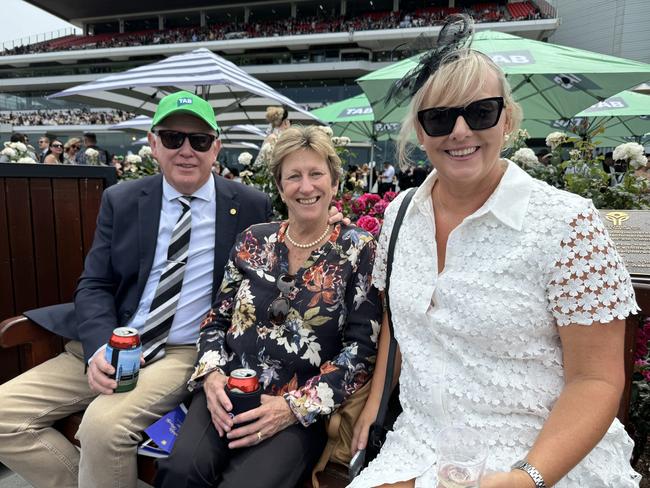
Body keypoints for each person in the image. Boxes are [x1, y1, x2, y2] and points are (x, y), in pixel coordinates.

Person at [349, 15, 640, 488]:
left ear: (507, 118)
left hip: (540, 457)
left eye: (480, 111)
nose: (459, 131)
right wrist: (375, 401)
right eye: (440, 118)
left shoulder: (566, 222)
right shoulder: (401, 214)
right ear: (421, 133)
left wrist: (525, 478)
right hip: (417, 445)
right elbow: (398, 323)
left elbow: (597, 381)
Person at [0, 90, 274, 488]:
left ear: (216, 148)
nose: (186, 151)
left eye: (198, 141)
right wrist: (98, 350)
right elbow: (94, 283)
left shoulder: (249, 204)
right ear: (153, 144)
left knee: (102, 428)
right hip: (113, 340)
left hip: (184, 350)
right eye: (172, 138)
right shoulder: (123, 199)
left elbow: (285, 250)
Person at [156, 125, 381, 488]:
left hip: (298, 409)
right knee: (180, 473)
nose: (306, 187)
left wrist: (292, 407)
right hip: (228, 391)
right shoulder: (252, 240)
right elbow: (216, 320)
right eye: (293, 176)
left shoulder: (358, 249)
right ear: (279, 188)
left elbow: (360, 352)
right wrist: (211, 376)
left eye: (316, 174)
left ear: (335, 183)